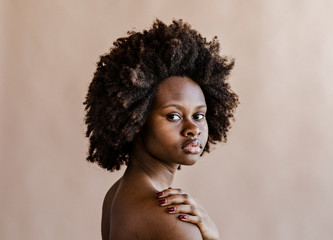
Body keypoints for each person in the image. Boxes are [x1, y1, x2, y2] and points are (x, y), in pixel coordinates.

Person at [84, 19, 238, 240]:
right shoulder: (172, 220)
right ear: (135, 121)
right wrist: (213, 236)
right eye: (173, 116)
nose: (193, 129)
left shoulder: (118, 195)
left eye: (199, 116)